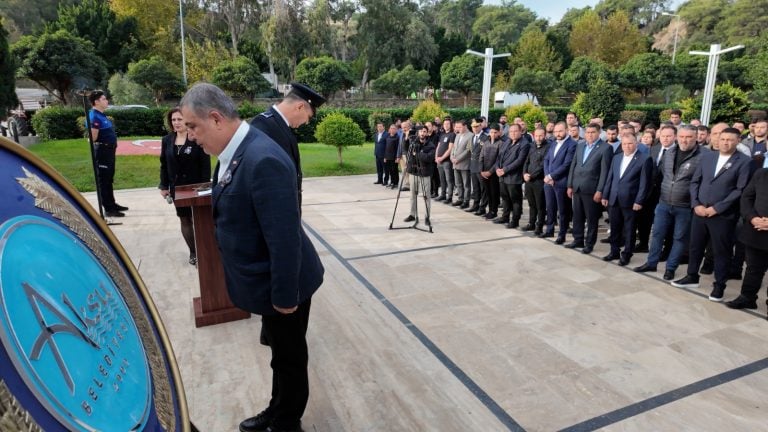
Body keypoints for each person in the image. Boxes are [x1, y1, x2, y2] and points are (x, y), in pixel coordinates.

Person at [180, 83, 324, 432]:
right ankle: (277, 409)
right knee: (279, 354)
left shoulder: (263, 159)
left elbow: (284, 238)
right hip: (267, 280)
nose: (191, 136)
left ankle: (287, 421)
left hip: (285, 283)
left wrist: (285, 296)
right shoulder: (237, 151)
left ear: (216, 119)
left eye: (193, 126)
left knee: (289, 357)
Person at [671, 128, 751, 302]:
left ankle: (719, 285)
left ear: (738, 141)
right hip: (700, 211)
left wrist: (717, 208)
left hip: (722, 215)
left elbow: (740, 189)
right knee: (695, 246)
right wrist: (696, 204)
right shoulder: (708, 157)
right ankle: (692, 276)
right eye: (722, 139)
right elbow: (695, 182)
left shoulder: (744, 162)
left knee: (721, 251)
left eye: (730, 139)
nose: (725, 142)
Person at [634, 125, 704, 280]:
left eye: (689, 137)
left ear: (696, 137)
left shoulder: (703, 156)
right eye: (682, 137)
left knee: (679, 238)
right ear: (677, 137)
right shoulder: (669, 153)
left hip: (685, 206)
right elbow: (662, 175)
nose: (685, 140)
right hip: (664, 202)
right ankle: (651, 263)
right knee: (657, 234)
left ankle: (671, 268)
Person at [250, 82, 326, 207]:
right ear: (300, 107)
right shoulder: (263, 125)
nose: (307, 122)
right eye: (308, 116)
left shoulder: (280, 125)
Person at [158, 107, 211, 265]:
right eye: (173, 120)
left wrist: (204, 185)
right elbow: (164, 165)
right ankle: (193, 252)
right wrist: (164, 186)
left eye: (179, 119)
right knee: (185, 220)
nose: (176, 122)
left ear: (186, 120)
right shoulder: (167, 140)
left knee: (201, 220)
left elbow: (205, 164)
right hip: (177, 188)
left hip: (196, 187)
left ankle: (206, 251)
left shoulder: (195, 136)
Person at [600, 133, 653, 266]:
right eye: (624, 144)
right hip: (614, 198)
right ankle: (614, 251)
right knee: (614, 227)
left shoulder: (644, 159)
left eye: (630, 143)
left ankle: (627, 254)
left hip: (631, 200)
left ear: (636, 143)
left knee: (629, 229)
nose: (627, 146)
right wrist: (605, 195)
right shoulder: (616, 157)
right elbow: (610, 177)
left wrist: (639, 201)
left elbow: (645, 183)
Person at [725, 167, 768, 315]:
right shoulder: (762, 173)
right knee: (753, 268)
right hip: (756, 231)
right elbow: (746, 197)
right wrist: (752, 217)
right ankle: (747, 298)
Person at [566, 123, 613, 254]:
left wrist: (600, 190)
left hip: (592, 189)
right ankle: (578, 239)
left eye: (593, 132)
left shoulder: (606, 148)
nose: (590, 135)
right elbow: (573, 166)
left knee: (591, 219)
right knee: (577, 216)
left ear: (599, 133)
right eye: (588, 132)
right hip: (577, 187)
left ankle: (589, 243)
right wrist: (570, 185)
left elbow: (605, 172)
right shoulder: (580, 146)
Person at [88, 90, 128, 217]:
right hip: (102, 151)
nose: (107, 101)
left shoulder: (101, 115)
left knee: (109, 178)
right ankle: (109, 209)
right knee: (104, 180)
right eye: (104, 99)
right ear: (96, 102)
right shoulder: (94, 116)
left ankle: (112, 204)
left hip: (109, 151)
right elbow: (93, 138)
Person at [542, 122, 577, 243]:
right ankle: (549, 230)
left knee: (563, 211)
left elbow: (567, 164)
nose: (557, 134)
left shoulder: (572, 144)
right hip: (549, 182)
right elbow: (546, 159)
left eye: (560, 131)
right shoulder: (553, 143)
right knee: (550, 208)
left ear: (566, 130)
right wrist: (547, 176)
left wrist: (552, 176)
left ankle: (562, 234)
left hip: (561, 182)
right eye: (556, 131)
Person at [494, 123, 530, 228]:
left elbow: (519, 161)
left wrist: (505, 170)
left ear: (521, 132)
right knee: (505, 198)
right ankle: (505, 217)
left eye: (515, 131)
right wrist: (497, 168)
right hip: (502, 176)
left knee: (515, 200)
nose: (513, 133)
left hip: (514, 177)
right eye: (511, 131)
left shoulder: (524, 144)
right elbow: (499, 157)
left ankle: (515, 220)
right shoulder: (507, 142)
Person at [404, 126, 436, 225]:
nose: (422, 133)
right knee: (412, 195)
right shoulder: (414, 143)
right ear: (418, 133)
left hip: (425, 173)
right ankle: (412, 214)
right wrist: (406, 139)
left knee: (426, 196)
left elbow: (428, 158)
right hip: (414, 172)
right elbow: (407, 151)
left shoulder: (430, 145)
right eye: (421, 131)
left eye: (424, 131)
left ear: (427, 133)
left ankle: (427, 217)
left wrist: (417, 154)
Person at [523, 127, 550, 235]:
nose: (538, 138)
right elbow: (526, 161)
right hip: (528, 180)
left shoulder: (548, 147)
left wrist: (531, 175)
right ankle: (531, 223)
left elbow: (543, 165)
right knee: (531, 204)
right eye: (536, 136)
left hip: (539, 180)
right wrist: (524, 173)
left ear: (545, 136)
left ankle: (539, 226)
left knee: (540, 205)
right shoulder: (532, 146)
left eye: (540, 135)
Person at [479, 124, 502, 220]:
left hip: (493, 173)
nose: (493, 134)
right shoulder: (486, 142)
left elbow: (499, 160)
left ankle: (494, 211)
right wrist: (481, 170)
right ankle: (489, 210)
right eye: (491, 132)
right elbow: (481, 157)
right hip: (484, 172)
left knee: (494, 193)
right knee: (487, 192)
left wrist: (490, 171)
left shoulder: (501, 143)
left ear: (499, 133)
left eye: (495, 132)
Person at [451, 119, 473, 208]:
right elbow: (454, 148)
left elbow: (468, 150)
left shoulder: (471, 135)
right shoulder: (457, 135)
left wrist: (458, 159)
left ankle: (466, 201)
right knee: (458, 183)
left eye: (459, 127)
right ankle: (460, 199)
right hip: (455, 163)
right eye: (457, 127)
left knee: (466, 184)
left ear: (465, 126)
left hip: (464, 164)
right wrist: (452, 157)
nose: (457, 129)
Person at [383, 124, 400, 189]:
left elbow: (398, 148)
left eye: (393, 128)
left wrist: (397, 157)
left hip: (394, 157)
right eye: (391, 128)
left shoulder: (397, 137)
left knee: (394, 170)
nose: (392, 130)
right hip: (388, 157)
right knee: (390, 170)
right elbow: (386, 148)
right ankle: (392, 182)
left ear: (396, 130)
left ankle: (396, 183)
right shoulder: (387, 137)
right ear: (389, 129)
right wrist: (385, 157)